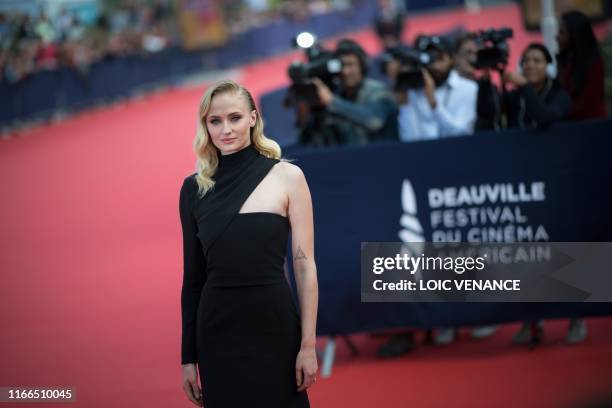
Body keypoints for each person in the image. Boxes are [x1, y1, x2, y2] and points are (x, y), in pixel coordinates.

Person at [179, 80, 318, 407]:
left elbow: (304, 265)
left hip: (274, 325)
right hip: (218, 330)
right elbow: (193, 280)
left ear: (254, 118)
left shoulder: (287, 177)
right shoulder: (194, 189)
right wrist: (188, 358)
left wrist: (308, 346)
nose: (225, 129)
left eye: (235, 118)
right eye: (215, 121)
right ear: (205, 125)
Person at [309, 38, 399, 145]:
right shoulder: (337, 94)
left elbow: (373, 121)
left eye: (350, 65)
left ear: (362, 66)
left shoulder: (379, 91)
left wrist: (332, 102)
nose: (345, 71)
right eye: (342, 66)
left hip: (385, 156)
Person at [397, 35, 478, 141]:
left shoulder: (468, 88)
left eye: (438, 57)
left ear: (452, 59)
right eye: (429, 58)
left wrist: (434, 103)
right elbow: (409, 139)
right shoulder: (415, 91)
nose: (434, 64)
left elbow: (462, 134)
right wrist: (405, 105)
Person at [478, 42, 571, 130]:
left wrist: (525, 85)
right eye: (526, 61)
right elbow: (487, 113)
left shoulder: (560, 95)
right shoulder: (514, 96)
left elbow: (544, 118)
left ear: (548, 66)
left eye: (537, 61)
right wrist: (485, 80)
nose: (530, 65)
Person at [556, 10, 607, 120]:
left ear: (574, 35)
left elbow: (586, 105)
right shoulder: (565, 62)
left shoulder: (594, 64)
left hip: (591, 128)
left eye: (562, 32)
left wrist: (553, 114)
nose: (556, 37)